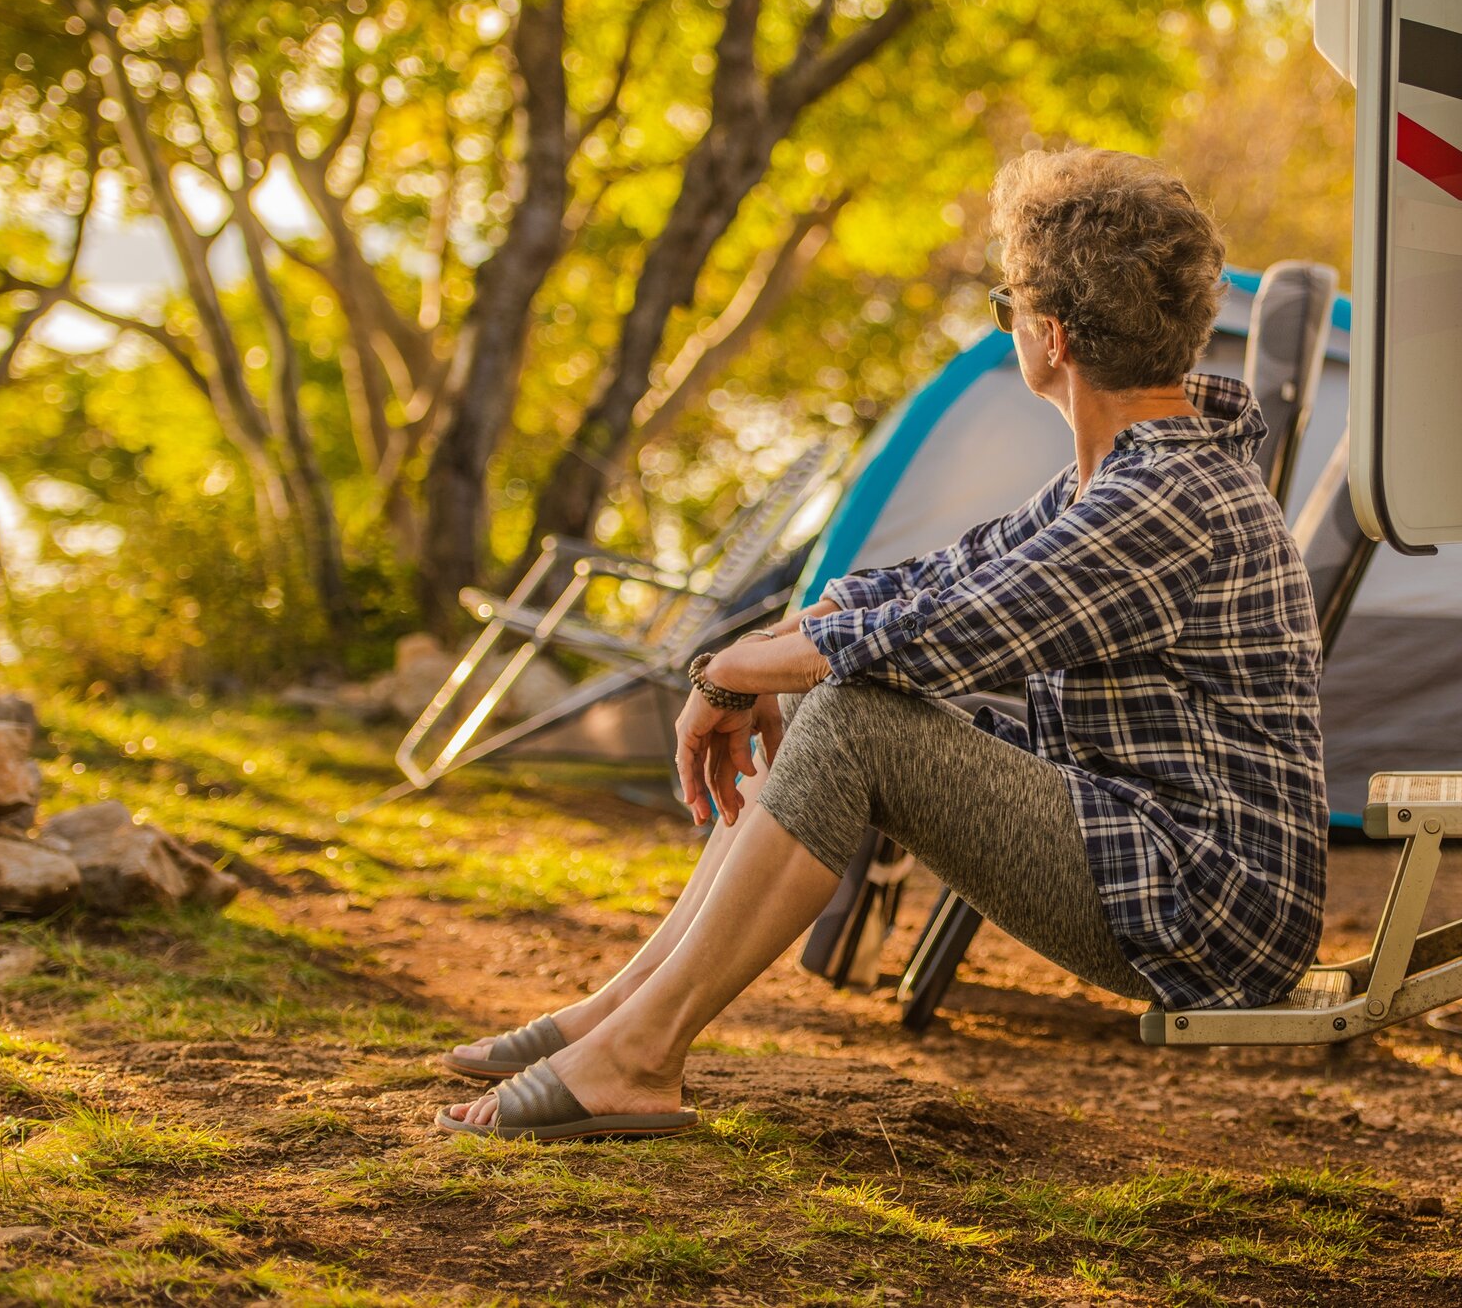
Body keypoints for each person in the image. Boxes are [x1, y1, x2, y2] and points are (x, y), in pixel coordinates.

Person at [437, 147, 1326, 1141]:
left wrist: (729, 670)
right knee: (828, 685)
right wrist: (765, 648)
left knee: (853, 711)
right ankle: (621, 1012)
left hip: (1203, 902)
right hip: (1151, 853)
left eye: (1007, 303)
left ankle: (635, 1055)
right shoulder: (1129, 476)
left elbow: (946, 635)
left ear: (1053, 335)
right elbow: (933, 579)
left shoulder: (1163, 499)